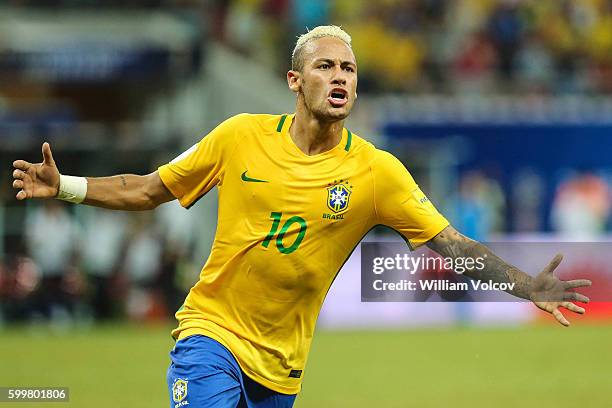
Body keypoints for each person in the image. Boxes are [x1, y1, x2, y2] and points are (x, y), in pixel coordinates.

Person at [11, 26, 591, 408]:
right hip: (211, 333)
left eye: (350, 69)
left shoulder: (376, 172)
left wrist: (526, 285)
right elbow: (146, 190)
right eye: (326, 67)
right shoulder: (238, 137)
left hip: (283, 366)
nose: (340, 78)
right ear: (295, 80)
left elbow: (453, 246)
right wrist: (67, 186)